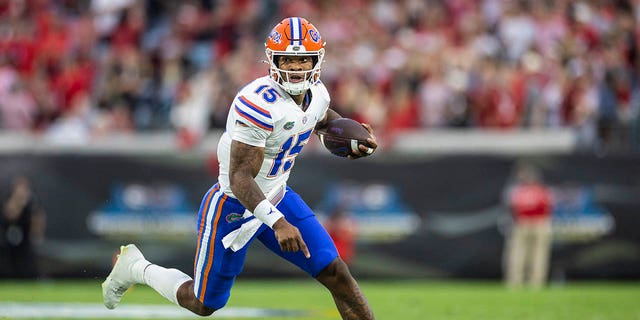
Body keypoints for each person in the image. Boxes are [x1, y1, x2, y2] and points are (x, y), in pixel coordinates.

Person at [102, 17, 377, 319]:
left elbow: (320, 119)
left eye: (303, 59)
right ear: (273, 59)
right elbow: (239, 178)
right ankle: (137, 268)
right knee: (204, 303)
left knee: (335, 272)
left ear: (317, 60)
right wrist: (277, 223)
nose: (296, 67)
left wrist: (350, 137)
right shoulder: (257, 103)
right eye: (288, 58)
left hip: (277, 194)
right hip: (232, 204)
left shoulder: (318, 94)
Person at [503, 163, 554, 289]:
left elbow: (548, 207)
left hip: (537, 222)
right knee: (518, 254)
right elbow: (512, 207)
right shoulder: (519, 190)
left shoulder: (540, 190)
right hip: (525, 223)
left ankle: (535, 282)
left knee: (537, 255)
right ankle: (517, 281)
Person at [0, 175, 46, 278]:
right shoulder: (9, 197)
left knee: (29, 262)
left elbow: (38, 217)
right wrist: (18, 202)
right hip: (8, 238)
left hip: (25, 239)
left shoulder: (32, 200)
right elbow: (10, 215)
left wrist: (37, 233)